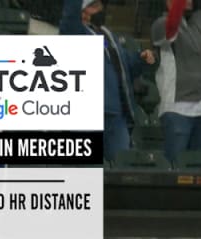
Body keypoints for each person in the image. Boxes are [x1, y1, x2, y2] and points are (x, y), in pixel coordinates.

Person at [60, 0, 156, 162]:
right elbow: (70, 16)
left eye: (98, 6)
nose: (97, 10)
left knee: (121, 166)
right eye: (91, 7)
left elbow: (124, 64)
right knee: (86, 171)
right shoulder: (75, 33)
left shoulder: (107, 36)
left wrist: (141, 59)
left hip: (116, 115)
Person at [151, 0, 201, 163]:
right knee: (175, 165)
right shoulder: (160, 24)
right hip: (177, 107)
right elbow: (171, 27)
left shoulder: (198, 20)